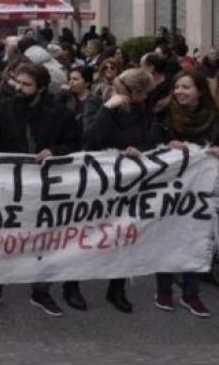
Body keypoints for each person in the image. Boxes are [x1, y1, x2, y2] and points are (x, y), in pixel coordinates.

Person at [0, 63, 80, 316]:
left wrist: (55, 151)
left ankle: (41, 292)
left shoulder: (59, 113)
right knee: (3, 240)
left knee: (44, 241)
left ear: (41, 88)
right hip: (10, 185)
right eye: (17, 82)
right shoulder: (2, 109)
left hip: (45, 186)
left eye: (26, 85)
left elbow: (76, 144)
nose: (19, 88)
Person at [83, 68, 157, 313]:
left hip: (127, 183)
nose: (145, 98)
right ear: (133, 92)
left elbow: (149, 139)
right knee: (83, 231)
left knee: (124, 232)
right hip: (97, 181)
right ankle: (71, 284)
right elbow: (91, 138)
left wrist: (140, 149)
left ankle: (117, 287)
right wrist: (107, 109)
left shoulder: (142, 111)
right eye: (142, 94)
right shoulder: (97, 100)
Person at [152, 70, 218, 317]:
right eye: (177, 86)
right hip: (169, 189)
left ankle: (191, 294)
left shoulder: (214, 118)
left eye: (186, 87)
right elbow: (149, 145)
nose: (180, 91)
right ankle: (164, 289)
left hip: (200, 192)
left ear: (199, 91)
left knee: (194, 238)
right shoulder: (163, 115)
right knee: (167, 236)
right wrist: (166, 147)